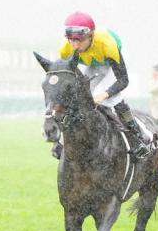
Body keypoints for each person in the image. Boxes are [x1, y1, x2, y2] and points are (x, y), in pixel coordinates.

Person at [55, 11, 149, 160]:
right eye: (71, 40)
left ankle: (138, 138)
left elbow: (123, 80)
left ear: (91, 35)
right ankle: (61, 141)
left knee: (110, 99)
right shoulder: (66, 49)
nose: (74, 45)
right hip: (94, 62)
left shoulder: (107, 45)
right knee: (77, 96)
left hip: (114, 60)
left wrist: (104, 94)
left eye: (79, 40)